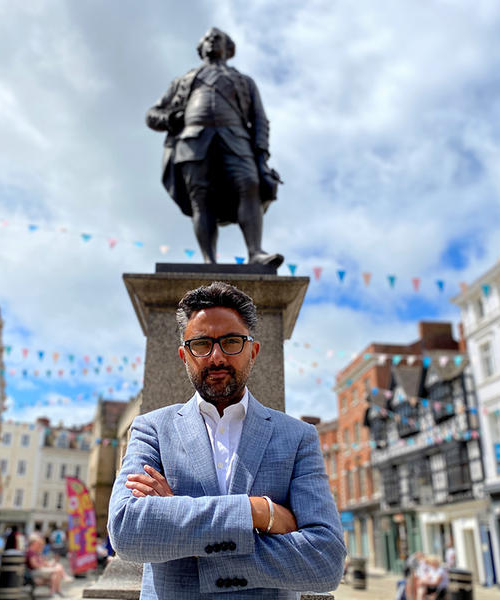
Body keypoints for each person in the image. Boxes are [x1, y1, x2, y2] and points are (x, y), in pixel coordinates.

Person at [108, 282, 345, 598]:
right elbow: (126, 531)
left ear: (253, 351)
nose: (216, 357)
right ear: (184, 355)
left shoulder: (298, 437)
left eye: (231, 341)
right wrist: (259, 512)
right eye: (201, 344)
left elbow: (325, 562)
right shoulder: (152, 430)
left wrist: (180, 526)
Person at [146, 28, 283, 268]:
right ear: (200, 49)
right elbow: (152, 114)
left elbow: (260, 119)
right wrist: (170, 120)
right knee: (201, 198)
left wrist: (261, 157)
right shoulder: (183, 81)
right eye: (206, 39)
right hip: (193, 140)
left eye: (216, 38)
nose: (211, 41)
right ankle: (208, 260)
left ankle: (255, 252)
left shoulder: (243, 81)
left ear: (229, 48)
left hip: (236, 139)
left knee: (249, 184)